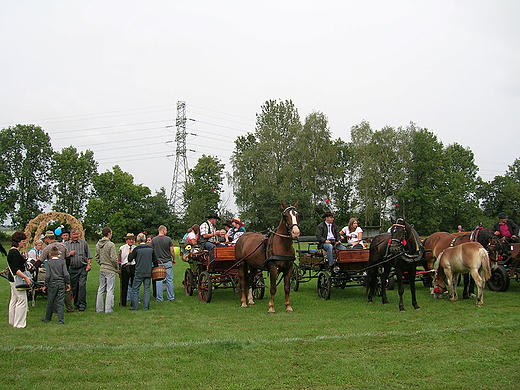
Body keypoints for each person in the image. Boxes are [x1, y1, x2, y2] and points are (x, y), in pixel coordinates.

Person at [40, 231, 74, 312]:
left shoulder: (47, 248)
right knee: (65, 290)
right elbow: (68, 258)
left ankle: (55, 309)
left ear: (47, 238)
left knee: (53, 291)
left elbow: (40, 260)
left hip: (52, 272)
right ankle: (69, 308)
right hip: (62, 270)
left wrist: (33, 268)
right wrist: (66, 267)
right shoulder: (62, 246)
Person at [7, 232, 32, 328]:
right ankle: (19, 323)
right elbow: (15, 269)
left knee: (14, 299)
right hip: (17, 278)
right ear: (18, 242)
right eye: (23, 241)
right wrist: (26, 277)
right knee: (22, 300)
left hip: (11, 278)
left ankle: (12, 321)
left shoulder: (11, 251)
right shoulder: (15, 253)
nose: (24, 243)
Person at [41, 246, 71, 324]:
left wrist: (45, 284)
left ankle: (47, 318)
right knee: (60, 302)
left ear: (50, 254)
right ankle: (60, 320)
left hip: (52, 284)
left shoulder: (49, 263)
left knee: (50, 301)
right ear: (58, 254)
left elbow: (47, 275)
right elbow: (66, 274)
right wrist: (67, 283)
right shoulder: (62, 262)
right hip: (61, 283)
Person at [128, 233, 158, 310]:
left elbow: (130, 259)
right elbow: (155, 261)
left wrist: (130, 254)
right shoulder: (151, 249)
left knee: (135, 289)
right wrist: (155, 268)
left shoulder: (136, 249)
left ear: (137, 240)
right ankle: (146, 307)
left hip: (139, 271)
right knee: (147, 289)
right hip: (148, 271)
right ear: (145, 240)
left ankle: (134, 307)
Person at [66, 228, 92, 311]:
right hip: (72, 269)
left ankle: (82, 304)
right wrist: (69, 254)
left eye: (77, 234)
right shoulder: (66, 245)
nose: (75, 236)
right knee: (74, 287)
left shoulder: (83, 243)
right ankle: (76, 303)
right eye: (74, 234)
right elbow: (62, 256)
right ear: (71, 235)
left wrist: (89, 265)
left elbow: (89, 256)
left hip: (82, 268)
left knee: (81, 286)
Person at [95, 227, 119, 314]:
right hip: (110, 269)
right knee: (110, 289)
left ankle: (99, 308)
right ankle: (108, 309)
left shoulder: (98, 244)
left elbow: (97, 257)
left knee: (101, 289)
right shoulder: (110, 244)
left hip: (102, 268)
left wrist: (101, 263)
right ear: (109, 233)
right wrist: (116, 267)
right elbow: (113, 258)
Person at [151, 225, 176, 302]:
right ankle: (171, 297)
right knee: (169, 280)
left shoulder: (154, 240)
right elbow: (171, 250)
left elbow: (151, 251)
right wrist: (174, 258)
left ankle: (159, 298)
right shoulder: (168, 239)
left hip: (158, 262)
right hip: (167, 261)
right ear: (163, 230)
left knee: (158, 281)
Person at [118, 233, 136, 307]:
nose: (131, 241)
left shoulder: (136, 248)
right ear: (126, 240)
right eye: (129, 239)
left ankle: (133, 301)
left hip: (133, 266)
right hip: (125, 267)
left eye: (132, 239)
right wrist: (119, 268)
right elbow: (119, 259)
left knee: (134, 285)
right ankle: (123, 302)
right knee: (124, 286)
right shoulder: (122, 248)